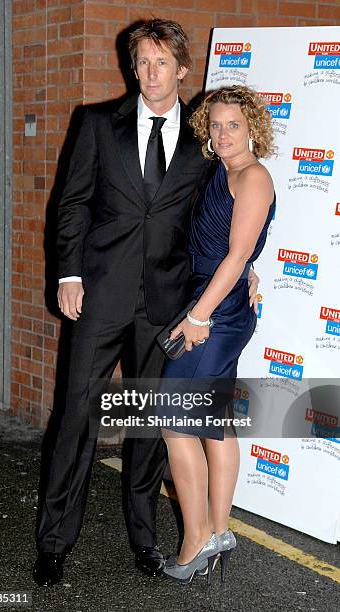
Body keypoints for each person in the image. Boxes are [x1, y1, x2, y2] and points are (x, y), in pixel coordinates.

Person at [33, 19, 259, 587]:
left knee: (148, 427)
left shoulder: (204, 139)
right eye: (142, 63)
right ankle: (55, 542)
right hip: (100, 295)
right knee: (76, 417)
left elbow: (223, 213)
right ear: (132, 68)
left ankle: (145, 540)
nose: (151, 74)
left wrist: (248, 265)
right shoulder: (95, 124)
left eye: (163, 63)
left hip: (166, 303)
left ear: (182, 69)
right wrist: (69, 271)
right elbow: (72, 204)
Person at [158, 85, 276, 585]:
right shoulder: (225, 172)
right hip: (217, 301)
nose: (223, 133)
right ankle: (219, 530)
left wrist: (200, 316)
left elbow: (236, 253)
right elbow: (240, 253)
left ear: (253, 128)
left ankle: (195, 540)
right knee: (211, 418)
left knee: (172, 418)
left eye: (234, 124)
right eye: (217, 124)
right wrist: (245, 272)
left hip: (216, 314)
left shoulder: (252, 176)